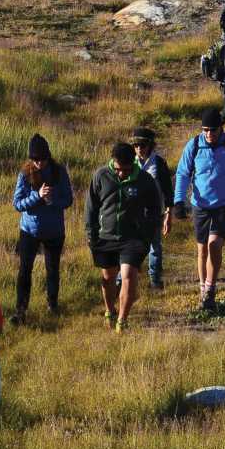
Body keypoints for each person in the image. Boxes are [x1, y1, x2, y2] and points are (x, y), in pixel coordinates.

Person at [173, 106, 225, 313]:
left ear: (221, 128)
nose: (209, 134)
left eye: (213, 130)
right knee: (201, 249)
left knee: (214, 245)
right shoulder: (193, 145)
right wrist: (178, 201)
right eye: (205, 130)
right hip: (200, 204)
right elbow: (183, 173)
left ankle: (210, 289)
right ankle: (203, 290)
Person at [83, 140, 164, 331]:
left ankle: (122, 320)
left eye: (126, 170)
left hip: (133, 239)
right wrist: (91, 233)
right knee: (108, 277)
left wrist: (147, 234)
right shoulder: (101, 176)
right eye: (118, 169)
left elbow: (154, 209)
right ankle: (110, 310)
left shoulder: (144, 180)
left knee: (128, 275)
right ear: (113, 162)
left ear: (133, 164)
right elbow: (91, 208)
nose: (122, 174)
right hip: (105, 237)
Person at [12, 135, 74, 318]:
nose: (38, 162)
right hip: (29, 231)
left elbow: (68, 200)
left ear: (48, 156)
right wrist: (37, 196)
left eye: (42, 159)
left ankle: (53, 306)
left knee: (53, 270)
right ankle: (21, 310)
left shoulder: (59, 172)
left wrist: (52, 201)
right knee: (24, 270)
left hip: (54, 232)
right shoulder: (24, 174)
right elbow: (17, 204)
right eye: (34, 159)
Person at [132, 126, 176, 290]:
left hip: (154, 212)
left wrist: (168, 213)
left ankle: (155, 280)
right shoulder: (130, 161)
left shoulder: (158, 163)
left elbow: (167, 190)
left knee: (154, 247)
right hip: (133, 213)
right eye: (136, 146)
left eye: (142, 146)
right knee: (131, 246)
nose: (139, 149)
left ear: (150, 145)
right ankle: (125, 279)